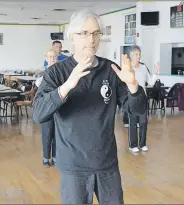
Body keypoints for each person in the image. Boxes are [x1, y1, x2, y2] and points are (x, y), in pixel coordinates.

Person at [33, 9, 146, 204]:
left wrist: (133, 86)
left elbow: (137, 110)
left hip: (106, 164)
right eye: (84, 33)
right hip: (73, 166)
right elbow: (38, 114)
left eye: (95, 33)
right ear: (72, 37)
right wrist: (67, 86)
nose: (91, 39)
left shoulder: (111, 70)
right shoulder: (55, 73)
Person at [124, 45, 158, 153]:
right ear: (131, 56)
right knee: (133, 123)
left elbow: (151, 83)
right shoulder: (127, 68)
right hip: (132, 97)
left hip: (143, 97)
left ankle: (142, 144)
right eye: (136, 54)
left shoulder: (143, 67)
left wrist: (156, 73)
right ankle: (133, 145)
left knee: (143, 122)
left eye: (139, 54)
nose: (138, 56)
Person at [35, 49, 58, 167]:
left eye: (54, 56)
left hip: (58, 106)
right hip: (46, 106)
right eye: (50, 57)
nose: (52, 59)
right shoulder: (42, 72)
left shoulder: (61, 70)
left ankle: (55, 157)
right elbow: (38, 84)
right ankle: (45, 158)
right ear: (46, 58)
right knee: (47, 133)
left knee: (57, 134)